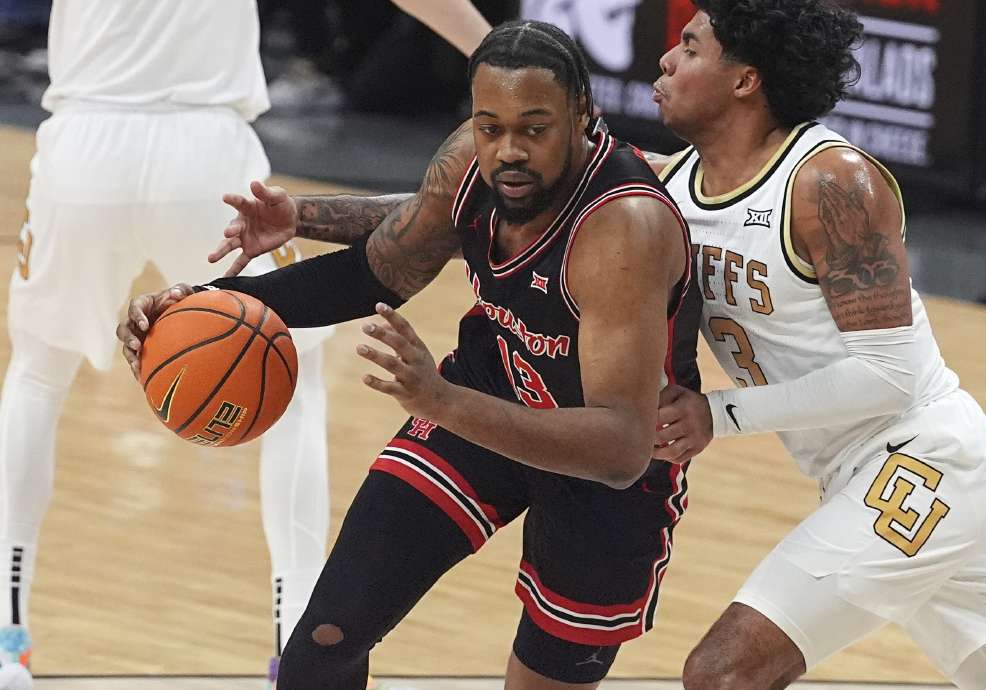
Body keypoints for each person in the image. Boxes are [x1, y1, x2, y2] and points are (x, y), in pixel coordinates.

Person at [118, 19, 701, 690]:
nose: (508, 149)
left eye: (534, 129)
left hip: (602, 470)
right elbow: (378, 271)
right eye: (490, 126)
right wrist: (201, 305)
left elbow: (622, 448)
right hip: (495, 388)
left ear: (583, 117)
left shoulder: (622, 229)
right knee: (327, 637)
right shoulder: (470, 164)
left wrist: (441, 399)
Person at [646, 2, 986, 688]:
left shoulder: (829, 182)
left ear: (745, 80)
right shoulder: (673, 183)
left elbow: (888, 378)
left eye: (691, 47)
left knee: (723, 672)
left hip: (925, 461)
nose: (666, 61)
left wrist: (718, 413)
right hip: (856, 478)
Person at [0, 1, 334, 687]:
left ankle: (6, 638)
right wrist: (487, 42)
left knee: (37, 375)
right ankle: (301, 654)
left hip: (88, 143)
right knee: (295, 383)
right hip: (208, 152)